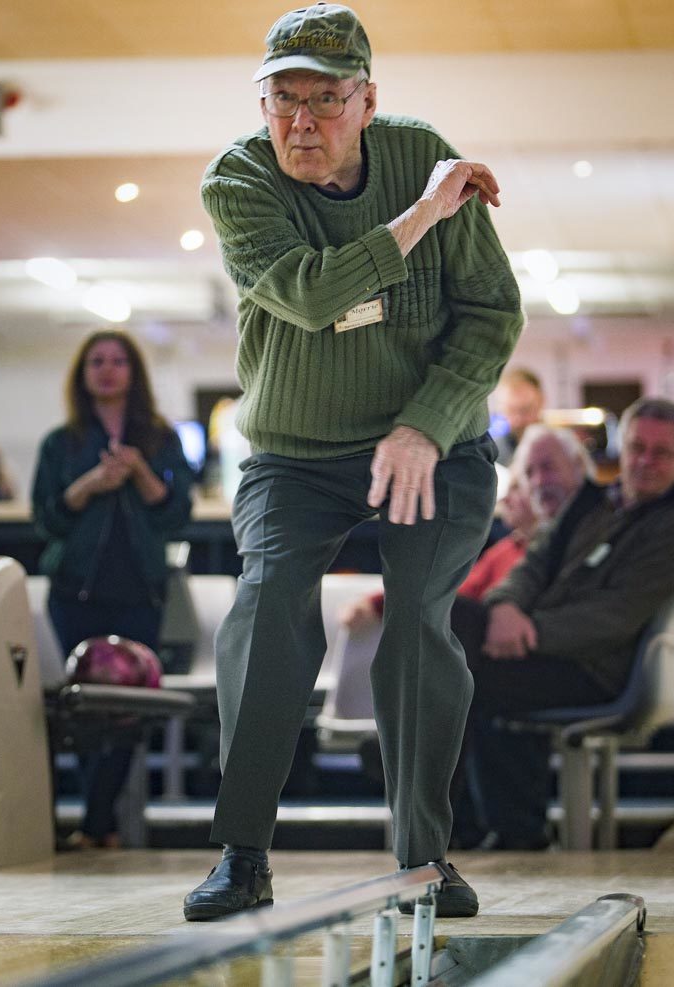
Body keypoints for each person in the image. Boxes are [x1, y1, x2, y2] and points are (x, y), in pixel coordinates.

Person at [183, 3, 523, 921]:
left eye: (326, 98)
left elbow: (491, 314)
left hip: (429, 441)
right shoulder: (239, 180)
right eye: (282, 97)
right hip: (294, 451)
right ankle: (242, 852)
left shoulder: (422, 151)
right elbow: (309, 292)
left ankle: (423, 860)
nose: (302, 120)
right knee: (266, 606)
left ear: (368, 100)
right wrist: (425, 212)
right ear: (262, 104)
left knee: (416, 618)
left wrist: (425, 423)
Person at [452, 398, 674, 850]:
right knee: (455, 626)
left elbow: (616, 616)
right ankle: (495, 826)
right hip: (543, 653)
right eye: (637, 447)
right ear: (622, 447)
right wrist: (504, 608)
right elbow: (532, 563)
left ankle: (467, 820)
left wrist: (528, 631)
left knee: (461, 677)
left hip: (597, 669)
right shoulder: (593, 501)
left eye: (662, 452)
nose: (646, 461)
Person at [31, 329, 194, 849]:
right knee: (84, 704)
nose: (107, 369)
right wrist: (88, 487)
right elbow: (45, 518)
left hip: (140, 588)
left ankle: (99, 821)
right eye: (96, 360)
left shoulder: (161, 439)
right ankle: (96, 822)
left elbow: (177, 514)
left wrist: (141, 474)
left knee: (129, 706)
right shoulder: (62, 442)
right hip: (75, 590)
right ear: (82, 374)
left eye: (118, 360)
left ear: (134, 372)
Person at [338, 424, 592, 631]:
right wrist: (379, 604)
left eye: (548, 467)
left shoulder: (594, 531)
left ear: (578, 466)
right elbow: (457, 590)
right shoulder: (513, 548)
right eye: (529, 474)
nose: (538, 482)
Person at [493, 366, 545, 467]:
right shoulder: (492, 453)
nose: (518, 420)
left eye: (525, 410)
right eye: (510, 411)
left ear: (541, 401)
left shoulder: (563, 448)